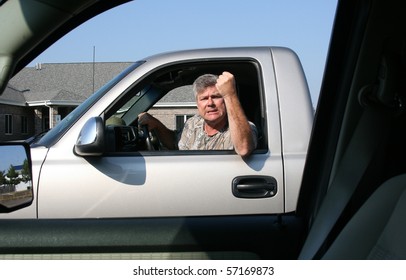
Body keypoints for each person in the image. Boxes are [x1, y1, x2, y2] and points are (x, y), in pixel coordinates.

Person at [138, 71, 257, 157]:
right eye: (204, 99)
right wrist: (156, 124)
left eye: (216, 97)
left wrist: (230, 94)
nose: (210, 103)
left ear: (225, 100)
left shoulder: (244, 128)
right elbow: (175, 144)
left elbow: (244, 148)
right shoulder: (193, 123)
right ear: (197, 103)